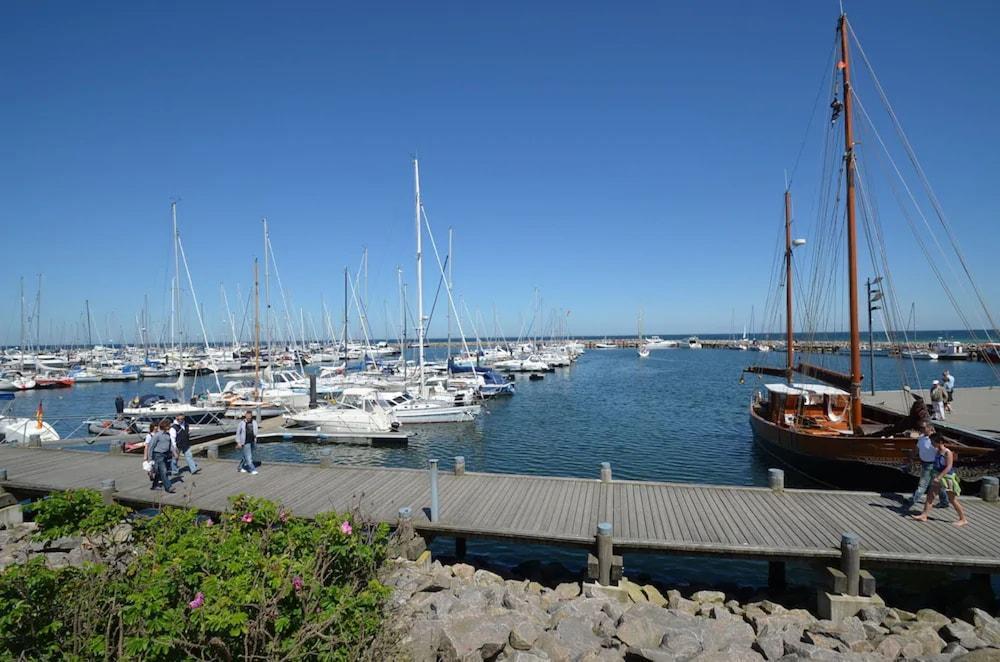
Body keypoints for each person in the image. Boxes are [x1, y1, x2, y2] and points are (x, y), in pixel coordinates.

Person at [912, 433, 967, 527]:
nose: (932, 444)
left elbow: (949, 467)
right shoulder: (937, 451)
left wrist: (939, 477)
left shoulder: (947, 452)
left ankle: (963, 519)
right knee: (930, 496)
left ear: (940, 442)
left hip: (947, 477)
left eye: (933, 442)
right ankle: (924, 515)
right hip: (937, 475)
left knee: (952, 499)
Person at [909, 422, 949, 509]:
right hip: (924, 463)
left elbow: (941, 450)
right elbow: (917, 449)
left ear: (929, 428)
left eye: (923, 428)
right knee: (938, 485)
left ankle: (912, 501)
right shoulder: (921, 438)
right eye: (920, 428)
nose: (921, 429)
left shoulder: (934, 439)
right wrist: (911, 457)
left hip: (932, 464)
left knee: (922, 484)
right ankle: (944, 501)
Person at [145, 419, 177, 493]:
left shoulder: (168, 435)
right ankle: (168, 487)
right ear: (165, 426)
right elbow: (151, 446)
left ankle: (154, 485)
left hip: (166, 454)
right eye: (168, 425)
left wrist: (174, 453)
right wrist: (149, 458)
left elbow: (170, 445)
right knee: (164, 471)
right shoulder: (157, 435)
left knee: (159, 472)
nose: (170, 426)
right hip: (158, 455)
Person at [236, 411, 258, 475]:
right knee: (249, 456)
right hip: (245, 442)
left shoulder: (254, 422)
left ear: (251, 416)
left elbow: (255, 431)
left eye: (250, 416)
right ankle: (252, 469)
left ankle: (240, 467)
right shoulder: (241, 423)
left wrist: (255, 438)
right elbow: (238, 433)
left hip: (252, 441)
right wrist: (238, 442)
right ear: (245, 416)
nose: (248, 417)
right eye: (247, 416)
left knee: (245, 456)